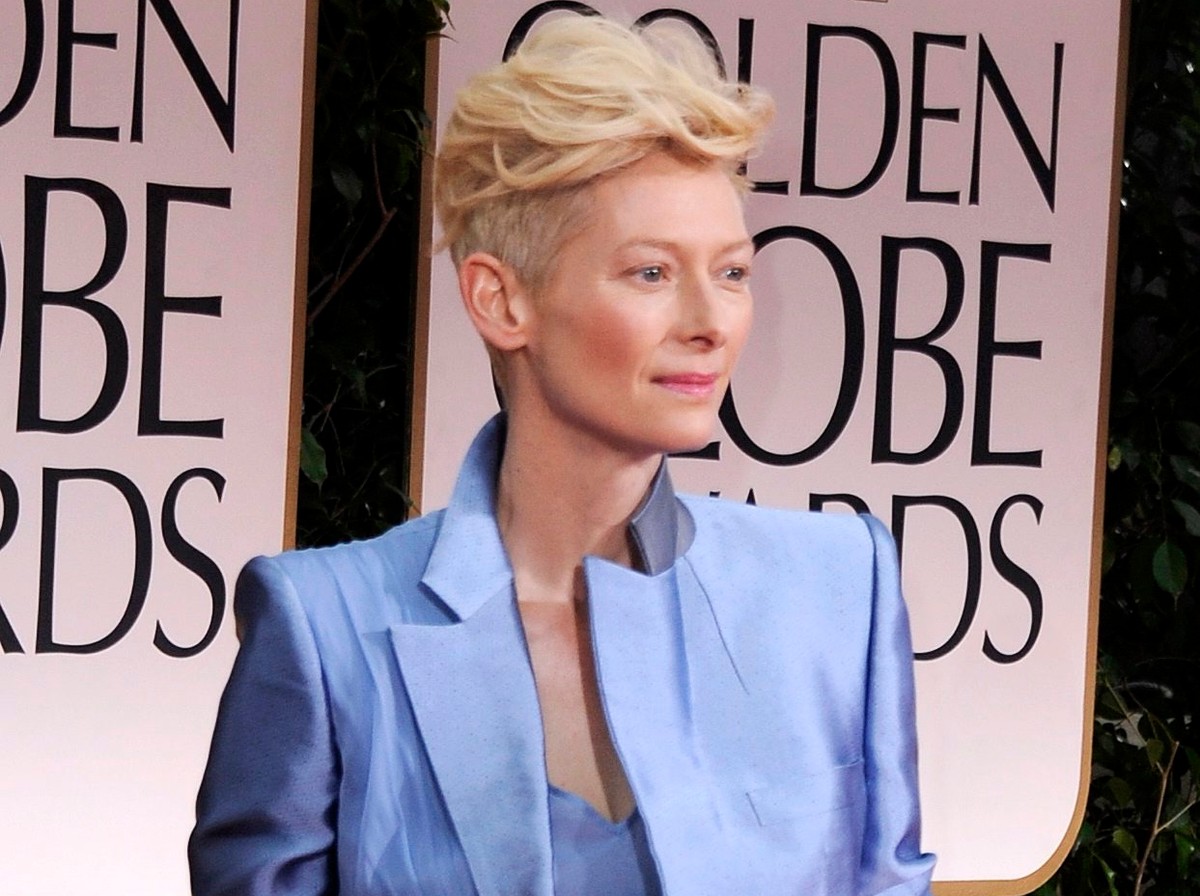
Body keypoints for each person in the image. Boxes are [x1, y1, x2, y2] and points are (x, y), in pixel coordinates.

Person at [189, 15, 936, 896]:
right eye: (652, 273)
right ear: (501, 301)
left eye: (732, 272)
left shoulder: (838, 589)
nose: (711, 322)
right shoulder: (325, 630)